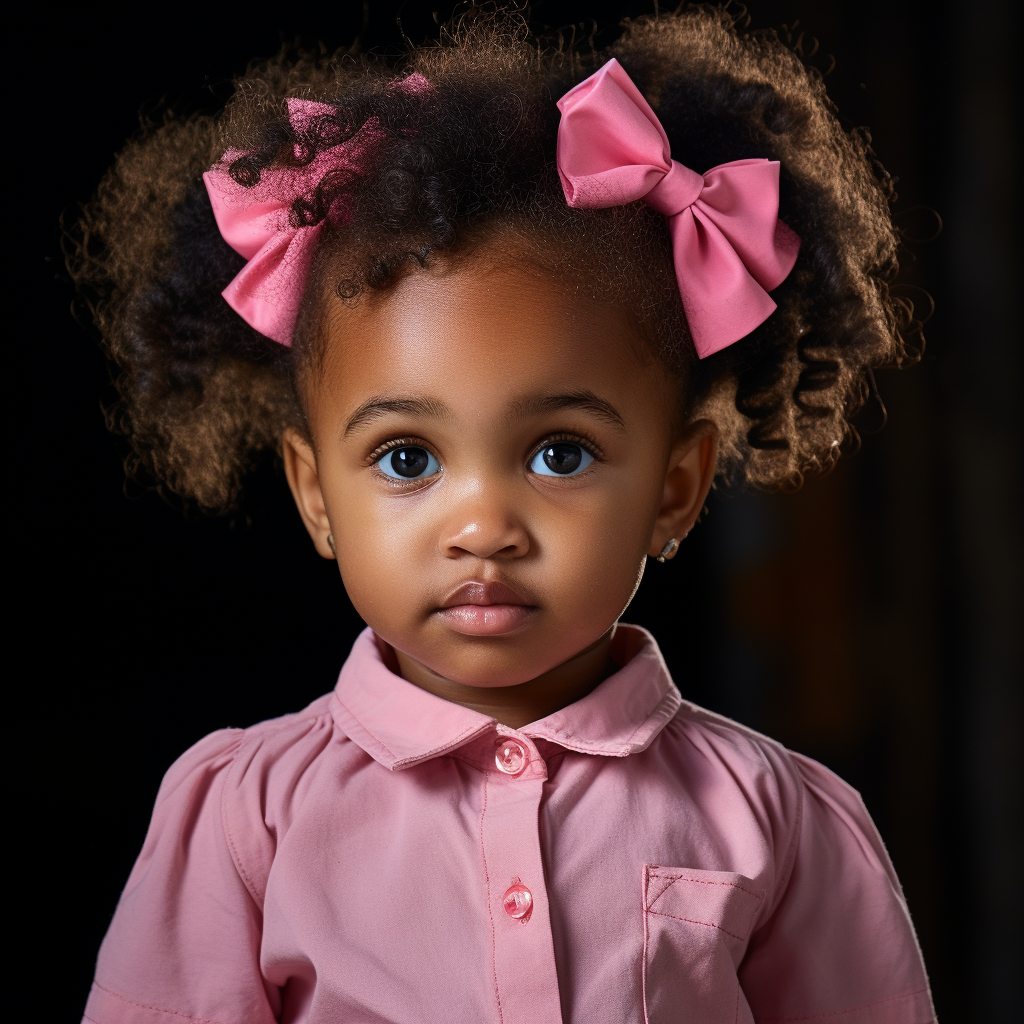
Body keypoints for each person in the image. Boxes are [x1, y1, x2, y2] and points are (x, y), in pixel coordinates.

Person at [73, 6, 936, 1022]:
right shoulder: (243, 819)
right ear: (316, 495)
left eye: (558, 452)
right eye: (407, 458)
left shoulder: (778, 822)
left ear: (675, 486)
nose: (483, 523)